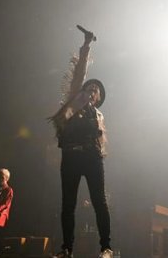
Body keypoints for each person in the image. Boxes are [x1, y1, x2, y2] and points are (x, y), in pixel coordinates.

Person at [49, 28, 112, 258]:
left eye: (96, 91)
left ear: (98, 99)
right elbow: (80, 72)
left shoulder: (99, 116)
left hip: (92, 158)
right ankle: (67, 249)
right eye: (90, 87)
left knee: (99, 202)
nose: (92, 89)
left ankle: (106, 247)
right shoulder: (75, 100)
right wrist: (86, 46)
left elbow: (102, 142)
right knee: (68, 204)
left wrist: (98, 151)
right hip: (71, 157)